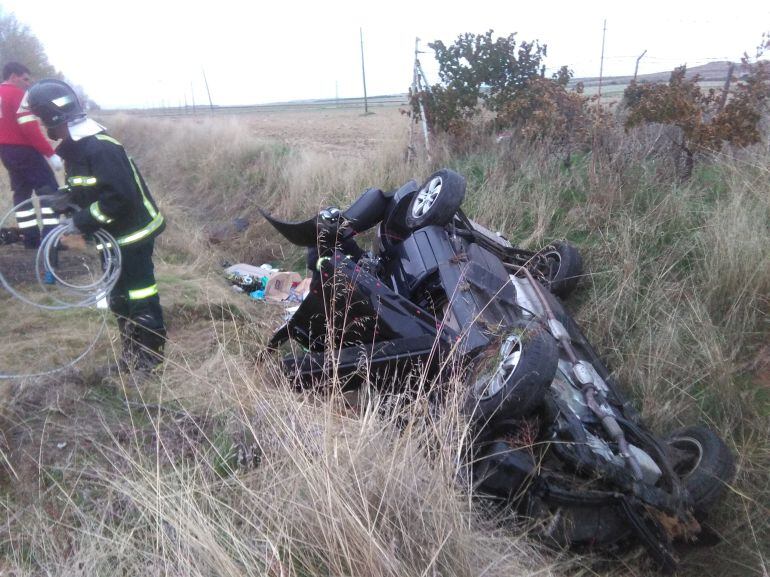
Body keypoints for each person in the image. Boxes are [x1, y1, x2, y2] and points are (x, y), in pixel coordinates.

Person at [23, 78, 167, 371]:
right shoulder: (76, 149)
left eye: (43, 120)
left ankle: (148, 360)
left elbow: (119, 198)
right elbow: (89, 187)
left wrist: (80, 221)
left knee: (139, 295)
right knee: (118, 298)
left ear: (55, 117)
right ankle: (131, 355)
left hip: (133, 235)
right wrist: (67, 197)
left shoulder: (100, 149)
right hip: (113, 238)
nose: (44, 129)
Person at [0, 62, 62, 248]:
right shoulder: (18, 95)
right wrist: (50, 154)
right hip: (24, 151)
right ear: (13, 77)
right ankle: (51, 239)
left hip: (6, 152)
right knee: (50, 191)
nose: (28, 83)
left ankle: (31, 239)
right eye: (25, 79)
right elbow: (30, 128)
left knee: (22, 193)